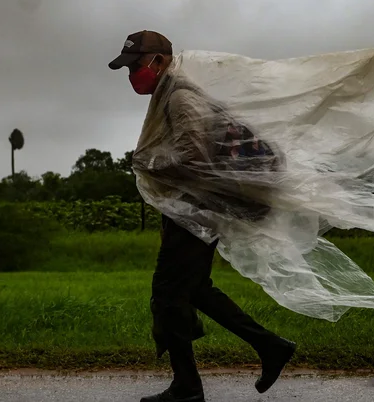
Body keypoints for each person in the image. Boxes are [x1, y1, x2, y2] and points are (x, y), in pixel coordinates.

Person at [109, 30, 296, 402]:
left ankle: (187, 387)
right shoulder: (172, 94)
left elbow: (194, 161)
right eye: (127, 69)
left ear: (159, 61)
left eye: (136, 66)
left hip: (198, 210)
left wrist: (148, 164)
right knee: (193, 290)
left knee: (168, 294)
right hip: (195, 209)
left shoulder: (180, 98)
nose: (132, 75)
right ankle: (271, 346)